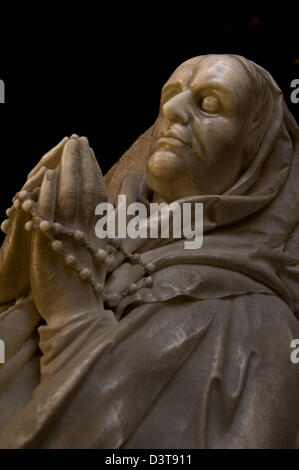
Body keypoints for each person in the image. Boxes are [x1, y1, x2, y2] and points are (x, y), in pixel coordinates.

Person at [0, 54, 298, 449]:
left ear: (257, 158)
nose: (172, 110)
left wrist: (72, 316)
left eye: (211, 103)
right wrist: (16, 276)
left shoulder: (263, 324)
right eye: (169, 97)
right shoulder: (84, 241)